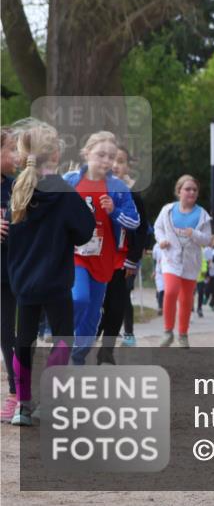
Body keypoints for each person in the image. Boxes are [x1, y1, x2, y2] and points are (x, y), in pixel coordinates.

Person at [6, 120, 94, 426]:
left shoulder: (18, 189)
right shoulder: (64, 192)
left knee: (24, 340)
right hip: (56, 279)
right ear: (54, 155)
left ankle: (23, 406)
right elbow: (84, 231)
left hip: (23, 280)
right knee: (62, 337)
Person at [64, 131, 140, 365]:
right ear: (87, 153)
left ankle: (77, 357)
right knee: (79, 299)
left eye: (111, 156)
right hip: (75, 255)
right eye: (101, 155)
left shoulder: (117, 187)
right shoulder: (70, 181)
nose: (106, 161)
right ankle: (63, 338)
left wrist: (114, 212)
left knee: (93, 314)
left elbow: (135, 221)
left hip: (104, 257)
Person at [95, 144, 148, 362]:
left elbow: (142, 228)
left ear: (127, 167)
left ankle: (106, 351)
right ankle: (85, 343)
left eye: (121, 161)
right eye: (112, 160)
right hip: (94, 259)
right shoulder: (94, 189)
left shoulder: (132, 196)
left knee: (116, 307)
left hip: (121, 261)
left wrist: (133, 259)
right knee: (94, 305)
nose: (116, 165)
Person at [153, 175, 212, 348]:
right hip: (171, 258)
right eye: (187, 189)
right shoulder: (168, 210)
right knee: (170, 291)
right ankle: (167, 332)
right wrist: (161, 239)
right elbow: (158, 227)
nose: (191, 192)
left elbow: (207, 240)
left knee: (186, 299)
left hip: (191, 262)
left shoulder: (202, 215)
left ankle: (183, 335)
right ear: (179, 191)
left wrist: (193, 233)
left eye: (194, 190)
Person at [1, 126, 18, 421]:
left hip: (13, 270)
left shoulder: (18, 186)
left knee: (12, 334)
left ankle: (18, 393)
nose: (18, 156)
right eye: (12, 149)